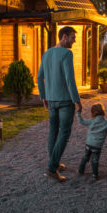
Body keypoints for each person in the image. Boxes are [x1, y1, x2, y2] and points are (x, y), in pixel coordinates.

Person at [37, 26, 82, 182]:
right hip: (64, 101)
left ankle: (53, 163)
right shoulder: (66, 54)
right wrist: (77, 100)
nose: (74, 40)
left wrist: (43, 96)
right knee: (64, 133)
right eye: (72, 37)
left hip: (51, 100)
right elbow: (70, 80)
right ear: (64, 36)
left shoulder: (47, 53)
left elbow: (39, 77)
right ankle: (51, 168)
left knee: (53, 132)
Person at [76, 103, 107, 180]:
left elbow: (82, 122)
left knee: (85, 157)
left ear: (93, 112)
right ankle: (95, 175)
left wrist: (78, 113)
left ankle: (80, 170)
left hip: (88, 143)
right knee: (95, 160)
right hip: (97, 146)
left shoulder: (92, 121)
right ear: (103, 112)